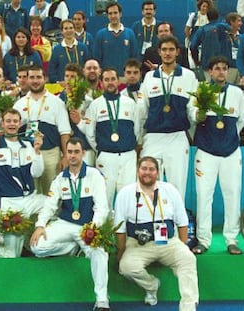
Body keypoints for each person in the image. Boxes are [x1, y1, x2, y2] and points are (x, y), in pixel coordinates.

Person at [30, 137, 111, 311]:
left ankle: (102, 300)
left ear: (83, 153)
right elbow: (49, 205)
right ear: (65, 154)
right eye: (70, 152)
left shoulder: (94, 175)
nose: (73, 156)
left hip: (88, 226)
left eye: (76, 152)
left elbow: (102, 207)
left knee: (99, 253)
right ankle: (73, 247)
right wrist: (40, 225)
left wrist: (93, 229)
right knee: (37, 247)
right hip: (65, 224)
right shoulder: (60, 178)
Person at [114, 156, 198, 310]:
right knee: (126, 267)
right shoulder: (125, 193)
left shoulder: (170, 190)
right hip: (138, 244)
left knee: (188, 259)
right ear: (137, 171)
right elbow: (119, 228)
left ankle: (188, 305)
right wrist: (121, 251)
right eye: (143, 168)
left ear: (158, 173)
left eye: (151, 169)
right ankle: (152, 286)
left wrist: (183, 245)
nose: (147, 172)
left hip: (168, 241)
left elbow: (182, 222)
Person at [192, 56, 244, 255]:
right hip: (206, 152)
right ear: (209, 72)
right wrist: (198, 116)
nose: (221, 72)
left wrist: (230, 138)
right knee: (204, 196)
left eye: (224, 68)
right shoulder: (201, 91)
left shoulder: (237, 93)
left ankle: (231, 239)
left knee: (232, 195)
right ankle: (204, 240)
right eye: (217, 68)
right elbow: (192, 115)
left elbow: (241, 121)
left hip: (231, 152)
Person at [140, 35, 198, 201]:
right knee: (149, 184)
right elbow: (143, 110)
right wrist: (140, 139)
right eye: (164, 49)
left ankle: (175, 224)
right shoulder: (149, 78)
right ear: (159, 52)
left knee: (177, 186)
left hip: (177, 136)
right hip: (153, 137)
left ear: (177, 52)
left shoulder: (188, 76)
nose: (167, 53)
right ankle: (150, 222)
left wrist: (197, 116)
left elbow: (192, 108)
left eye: (171, 49)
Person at [0, 108, 45, 258]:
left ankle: (34, 239)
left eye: (15, 121)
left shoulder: (28, 145)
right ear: (2, 123)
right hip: (9, 203)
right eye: (8, 121)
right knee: (12, 254)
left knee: (53, 204)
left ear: (20, 123)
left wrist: (37, 151)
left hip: (30, 198)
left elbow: (37, 173)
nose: (12, 124)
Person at [79, 67, 139, 210]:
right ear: (101, 83)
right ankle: (106, 230)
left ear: (118, 81)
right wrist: (101, 149)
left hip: (128, 157)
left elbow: (137, 130)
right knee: (105, 197)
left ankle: (126, 230)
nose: (110, 82)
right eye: (107, 79)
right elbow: (90, 133)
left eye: (113, 79)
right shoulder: (95, 105)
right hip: (105, 157)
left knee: (128, 196)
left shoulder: (130, 103)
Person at [13, 65, 71, 195]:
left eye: (38, 77)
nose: (35, 81)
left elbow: (64, 132)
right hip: (26, 154)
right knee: (29, 193)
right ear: (27, 80)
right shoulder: (19, 104)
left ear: (45, 79)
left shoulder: (57, 102)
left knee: (51, 194)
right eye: (32, 77)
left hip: (50, 154)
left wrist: (66, 156)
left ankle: (52, 216)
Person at [60, 64, 94, 166]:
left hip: (85, 147)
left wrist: (80, 120)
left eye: (73, 76)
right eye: (67, 76)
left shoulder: (89, 102)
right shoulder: (58, 100)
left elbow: (91, 125)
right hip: (66, 148)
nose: (69, 80)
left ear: (79, 79)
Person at [93, 2, 138, 77]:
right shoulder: (100, 34)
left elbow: (134, 57)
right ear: (107, 15)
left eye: (115, 13)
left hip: (125, 77)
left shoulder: (130, 33)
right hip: (107, 78)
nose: (113, 16)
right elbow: (96, 58)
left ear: (120, 14)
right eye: (110, 13)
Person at [190, 8, 230, 79]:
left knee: (210, 88)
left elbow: (193, 46)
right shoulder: (228, 28)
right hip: (225, 64)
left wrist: (197, 61)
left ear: (207, 17)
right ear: (218, 16)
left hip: (208, 64)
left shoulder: (202, 30)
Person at [48, 19, 89, 83]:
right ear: (62, 31)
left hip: (81, 85)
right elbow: (52, 70)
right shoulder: (56, 49)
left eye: (71, 28)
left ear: (74, 30)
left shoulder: (83, 47)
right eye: (66, 28)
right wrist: (58, 82)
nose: (69, 30)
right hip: (63, 86)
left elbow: (87, 67)